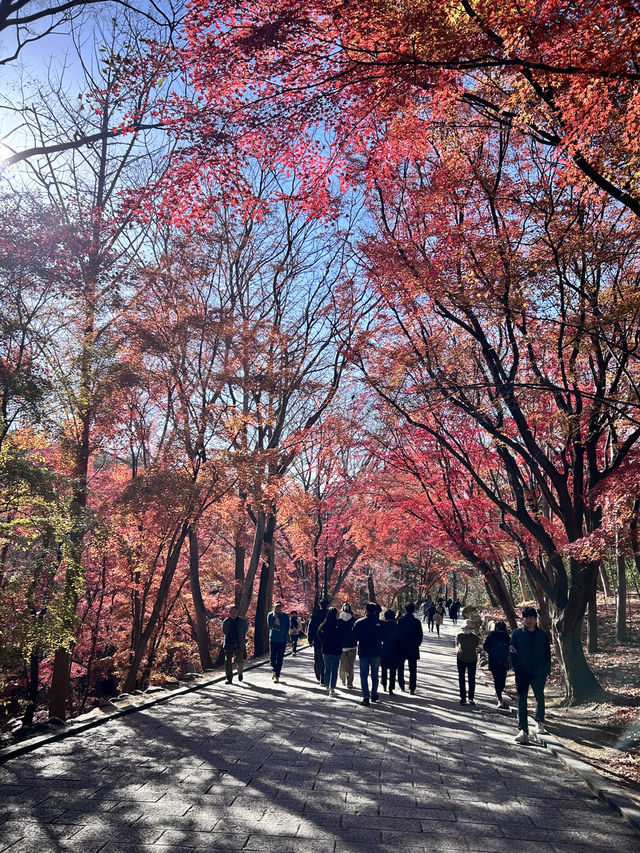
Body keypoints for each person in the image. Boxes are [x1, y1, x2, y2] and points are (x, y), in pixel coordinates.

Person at [510, 606, 551, 744]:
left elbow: (547, 654)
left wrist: (547, 670)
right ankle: (523, 731)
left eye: (531, 617)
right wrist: (515, 667)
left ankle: (539, 721)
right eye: (526, 617)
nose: (528, 620)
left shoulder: (543, 635)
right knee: (522, 699)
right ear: (522, 619)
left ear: (536, 619)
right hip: (522, 672)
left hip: (539, 672)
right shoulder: (516, 634)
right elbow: (512, 651)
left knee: (539, 696)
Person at [353, 602, 384, 706]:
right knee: (375, 675)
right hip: (376, 652)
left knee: (363, 675)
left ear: (366, 610)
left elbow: (355, 636)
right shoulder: (379, 623)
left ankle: (366, 697)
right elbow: (384, 637)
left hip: (364, 652)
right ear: (375, 611)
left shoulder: (359, 622)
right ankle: (374, 694)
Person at [396, 603, 423, 694]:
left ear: (405, 610)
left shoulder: (400, 620)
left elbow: (397, 634)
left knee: (400, 667)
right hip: (413, 647)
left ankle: (401, 684)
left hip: (401, 646)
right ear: (413, 610)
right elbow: (420, 636)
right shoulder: (417, 622)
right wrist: (417, 644)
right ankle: (412, 688)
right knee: (413, 668)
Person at [483, 620, 510, 708]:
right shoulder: (491, 636)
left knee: (502, 680)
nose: (501, 632)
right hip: (494, 661)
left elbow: (510, 646)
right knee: (497, 679)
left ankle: (499, 692)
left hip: (504, 661)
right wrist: (492, 652)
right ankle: (500, 698)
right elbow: (485, 646)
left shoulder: (506, 636)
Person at [317, 606, 344, 696]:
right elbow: (343, 637)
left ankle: (327, 686)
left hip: (326, 649)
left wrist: (324, 641)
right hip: (336, 650)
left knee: (327, 668)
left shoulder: (324, 625)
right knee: (334, 669)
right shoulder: (339, 624)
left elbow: (319, 634)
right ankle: (332, 688)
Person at [221, 605, 248, 684]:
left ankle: (240, 673)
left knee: (240, 661)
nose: (233, 614)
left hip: (238, 644)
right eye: (231, 612)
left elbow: (245, 630)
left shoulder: (242, 621)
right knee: (228, 662)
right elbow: (224, 631)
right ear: (229, 613)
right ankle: (229, 678)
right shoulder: (226, 622)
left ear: (237, 612)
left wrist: (241, 638)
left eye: (235, 612)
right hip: (228, 644)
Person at [456, 619, 480, 704]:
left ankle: (471, 698)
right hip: (461, 659)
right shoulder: (459, 636)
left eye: (470, 628)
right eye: (466, 627)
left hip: (472, 660)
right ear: (463, 628)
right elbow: (457, 644)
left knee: (471, 679)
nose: (468, 629)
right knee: (461, 678)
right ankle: (463, 698)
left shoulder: (475, 638)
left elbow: (477, 645)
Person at [267, 600, 290, 683]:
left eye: (279, 607)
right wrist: (275, 618)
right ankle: (274, 669)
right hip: (273, 639)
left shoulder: (285, 616)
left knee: (280, 659)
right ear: (274, 607)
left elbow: (287, 627)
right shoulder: (270, 615)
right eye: (276, 606)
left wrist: (287, 637)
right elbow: (270, 625)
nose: (278, 608)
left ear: (281, 607)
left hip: (282, 640)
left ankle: (277, 675)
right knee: (272, 658)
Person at [380, 609, 400, 695]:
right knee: (393, 669)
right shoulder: (397, 625)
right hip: (395, 648)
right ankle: (391, 687)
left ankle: (384, 684)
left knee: (384, 667)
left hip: (384, 647)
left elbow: (380, 636)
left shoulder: (383, 624)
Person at [308, 599, 329, 683]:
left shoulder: (316, 615)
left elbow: (311, 627)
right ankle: (324, 676)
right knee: (325, 659)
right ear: (327, 605)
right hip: (327, 641)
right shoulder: (329, 614)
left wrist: (310, 639)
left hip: (317, 640)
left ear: (320, 605)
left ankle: (319, 674)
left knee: (318, 657)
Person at [338, 603, 357, 688]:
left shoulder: (338, 620)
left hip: (341, 645)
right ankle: (350, 682)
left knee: (342, 664)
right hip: (352, 645)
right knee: (350, 664)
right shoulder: (354, 620)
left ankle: (343, 680)